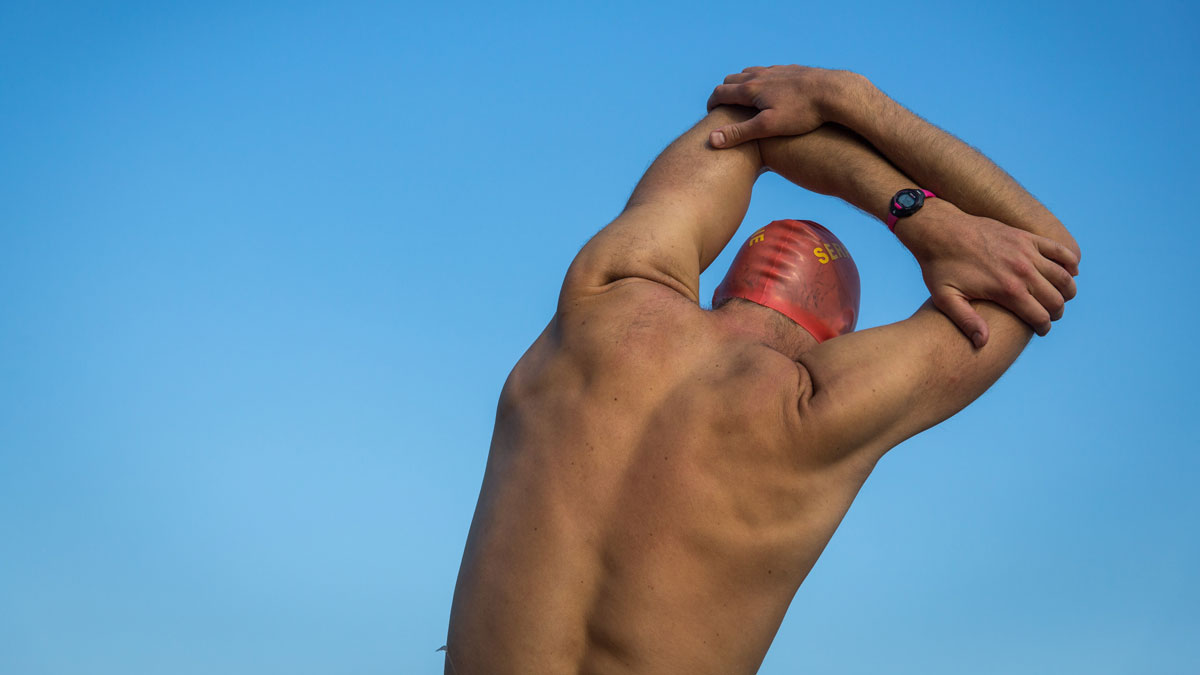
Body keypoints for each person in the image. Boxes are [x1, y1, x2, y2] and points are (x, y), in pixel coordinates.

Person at [442, 65, 1080, 675]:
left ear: (725, 284)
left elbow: (742, 130)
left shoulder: (604, 302)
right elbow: (1046, 256)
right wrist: (868, 122)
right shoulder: (822, 413)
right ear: (836, 336)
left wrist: (900, 195)